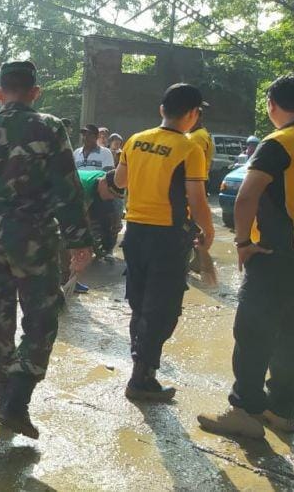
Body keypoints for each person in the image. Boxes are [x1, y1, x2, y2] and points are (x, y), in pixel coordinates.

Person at [0, 61, 93, 439]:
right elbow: (68, 188)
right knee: (42, 317)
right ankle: (16, 402)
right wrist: (80, 240)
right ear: (36, 93)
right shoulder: (50, 127)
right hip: (34, 238)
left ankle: (6, 400)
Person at [197, 75, 294, 439]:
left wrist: (242, 242)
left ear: (272, 104)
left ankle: (245, 410)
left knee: (253, 330)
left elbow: (247, 196)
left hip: (275, 253)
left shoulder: (279, 142)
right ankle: (281, 411)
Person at [112, 83, 213, 402]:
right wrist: (207, 232)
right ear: (193, 114)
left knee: (140, 304)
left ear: (162, 110)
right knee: (164, 308)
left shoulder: (135, 140)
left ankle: (139, 368)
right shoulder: (189, 148)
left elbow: (119, 182)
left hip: (135, 232)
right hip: (168, 237)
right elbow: (196, 200)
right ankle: (142, 378)